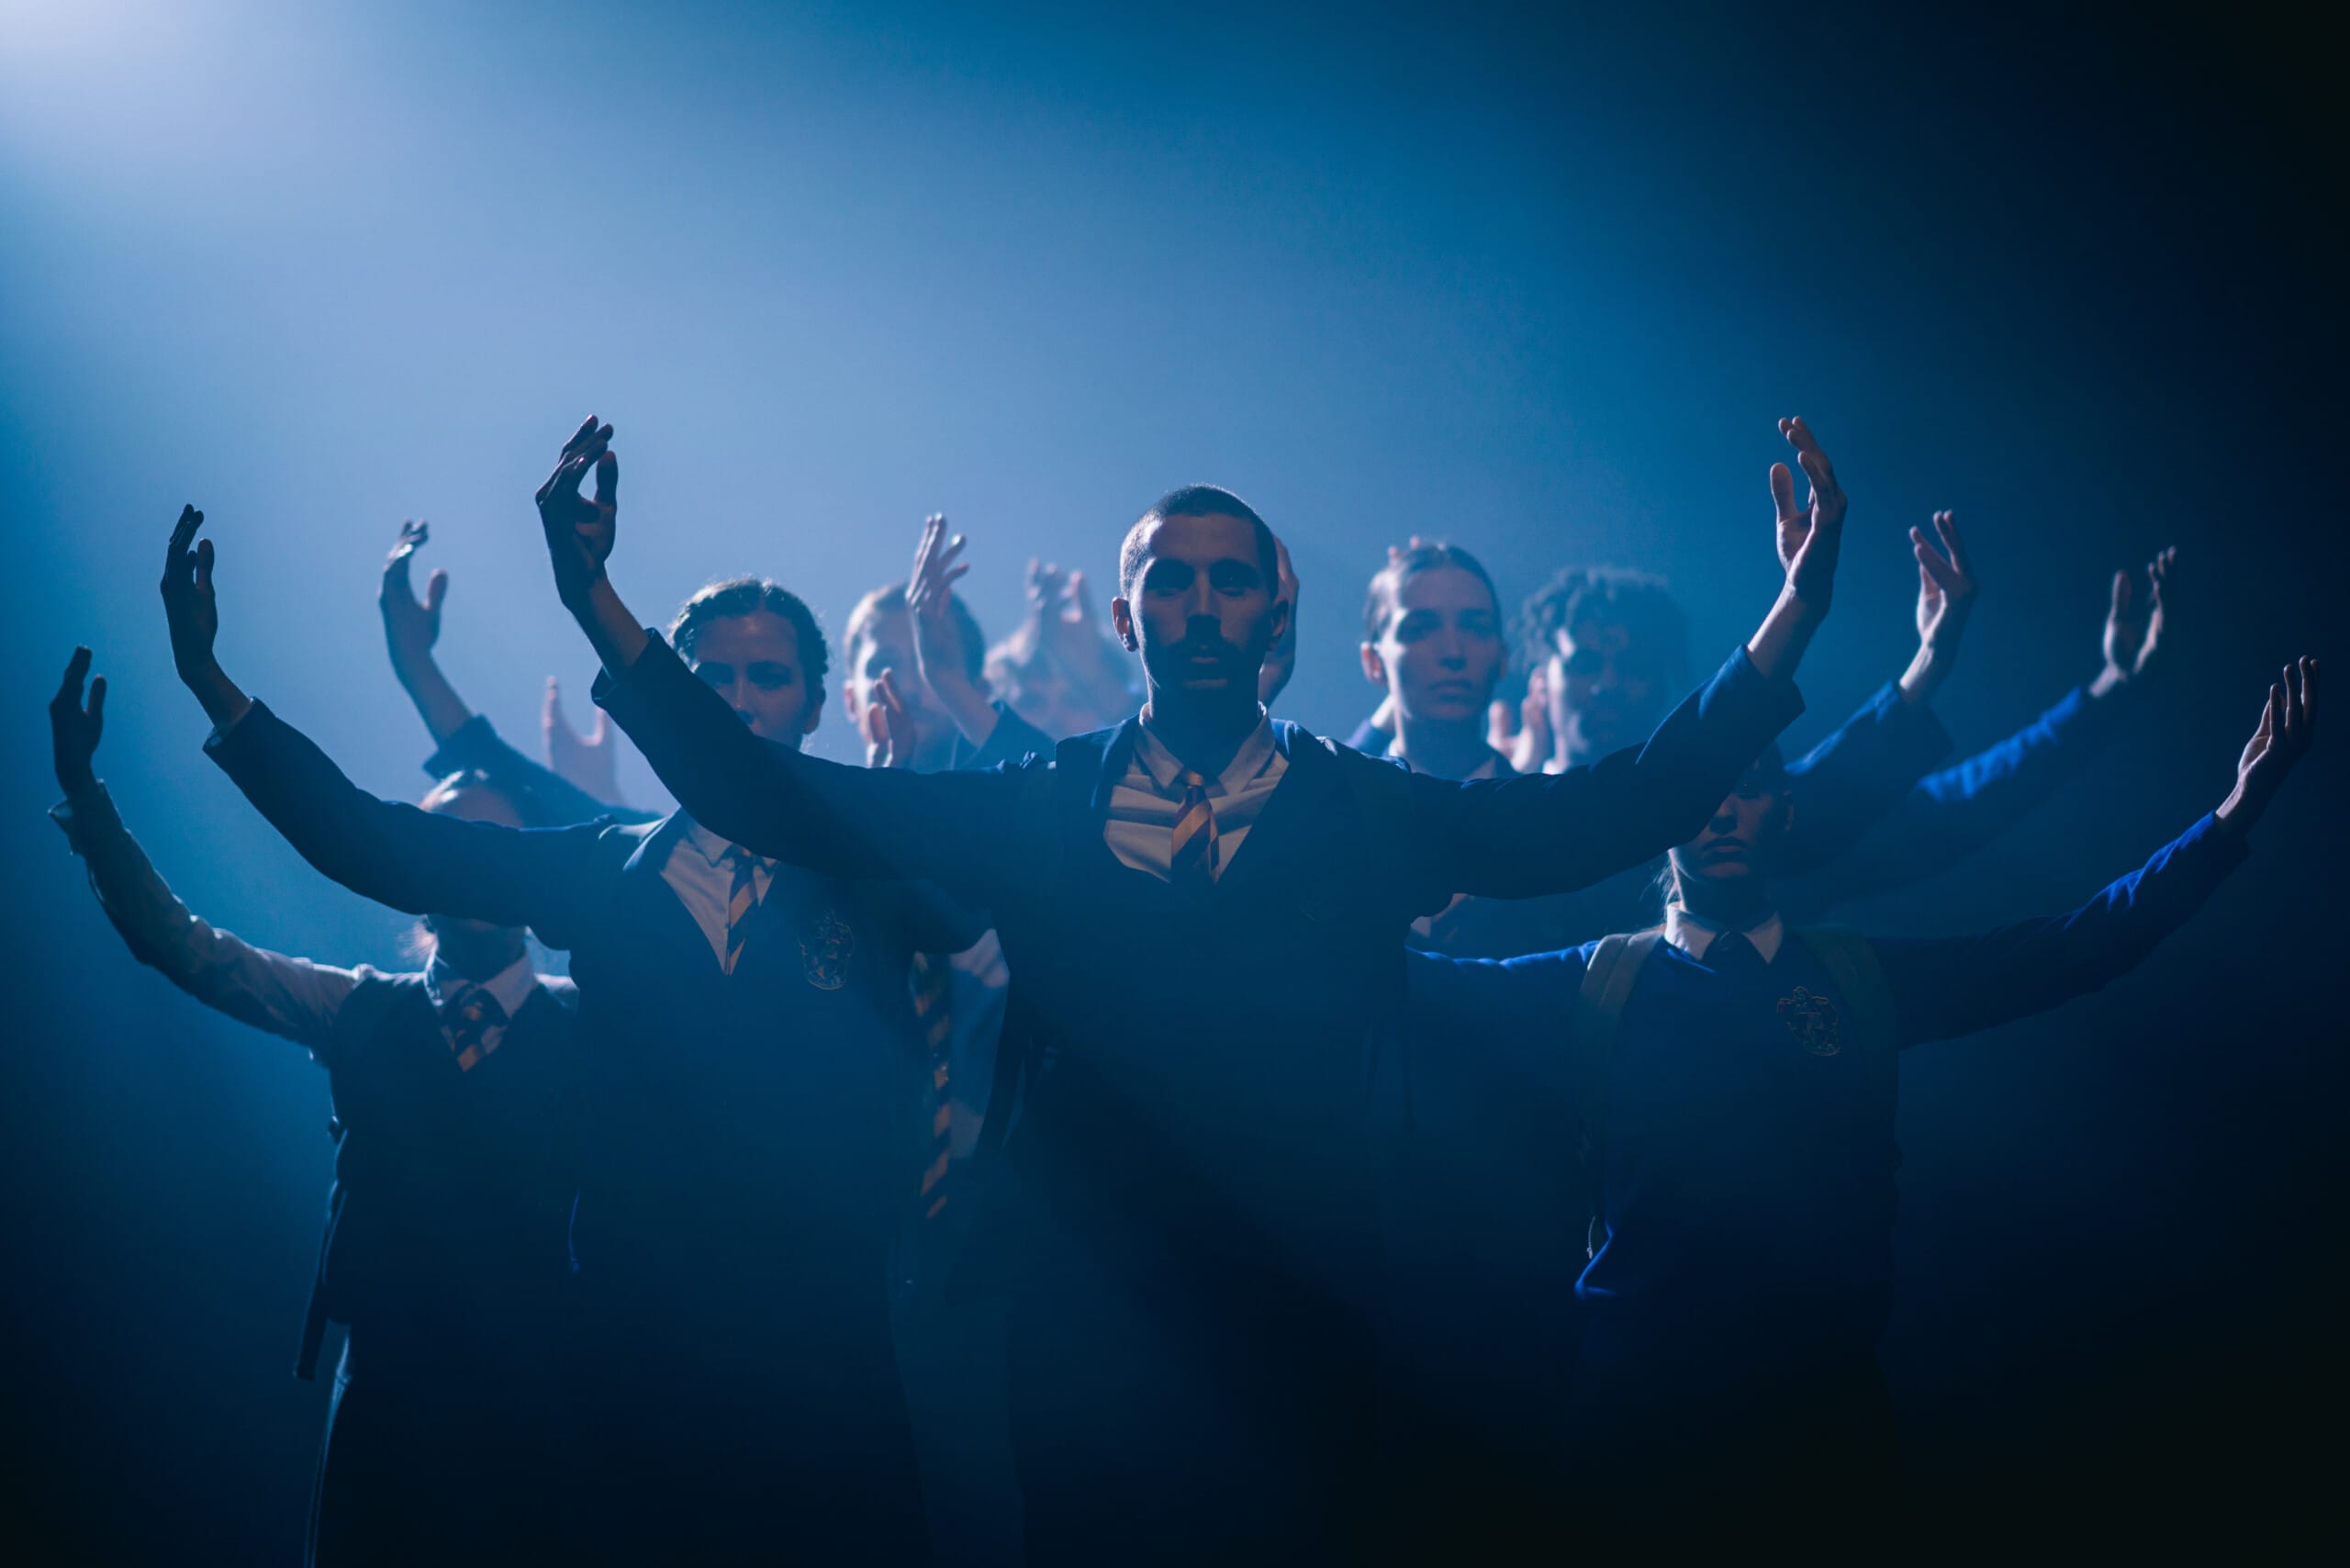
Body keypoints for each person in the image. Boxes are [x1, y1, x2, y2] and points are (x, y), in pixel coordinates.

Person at [535, 412, 1841, 1562]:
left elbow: (1611, 815)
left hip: (1312, 1319)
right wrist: (596, 600)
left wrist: (1790, 618)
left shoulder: (1360, 809)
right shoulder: (1037, 806)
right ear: (1126, 617)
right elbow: (769, 789)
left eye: (1231, 585)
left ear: (1274, 618)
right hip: (1087, 1327)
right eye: (1170, 583)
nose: (1202, 606)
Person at [165, 500, 964, 1564]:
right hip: (632, 1363)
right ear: (666, 699)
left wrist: (895, 781)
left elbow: (974, 911)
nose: (737, 702)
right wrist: (214, 686)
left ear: (815, 703)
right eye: (711, 678)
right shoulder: (603, 866)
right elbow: (372, 841)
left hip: (830, 1361)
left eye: (767, 676)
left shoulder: (868, 867)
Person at [1410, 655, 2318, 1551]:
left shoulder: (1856, 976)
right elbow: (1410, 991)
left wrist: (2230, 820)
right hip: (1637, 1425)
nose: (1723, 807)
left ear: (1786, 810)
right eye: (1700, 789)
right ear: (1661, 817)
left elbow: (2072, 947)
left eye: (1751, 786)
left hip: (1822, 1421)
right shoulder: (1596, 981)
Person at [47, 636, 579, 1568]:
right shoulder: (363, 1010)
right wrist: (90, 805)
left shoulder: (592, 1027)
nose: (465, 865)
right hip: (387, 1389)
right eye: (441, 844)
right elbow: (191, 950)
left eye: (491, 847)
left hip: (549, 1398)